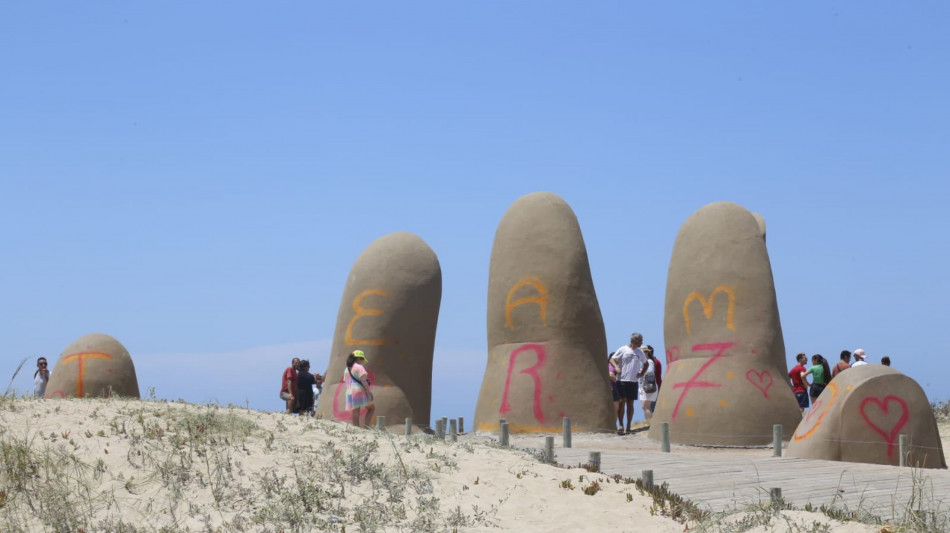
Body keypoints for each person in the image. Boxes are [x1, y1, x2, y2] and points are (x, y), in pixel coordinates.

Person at [610, 333, 646, 435]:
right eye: (640, 340)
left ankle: (629, 425)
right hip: (622, 380)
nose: (641, 342)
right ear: (634, 340)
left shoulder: (640, 352)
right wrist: (616, 367)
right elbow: (612, 359)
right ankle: (621, 424)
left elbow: (646, 364)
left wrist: (642, 372)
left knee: (630, 404)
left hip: (633, 381)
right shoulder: (623, 349)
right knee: (622, 402)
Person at [344, 350, 375, 428]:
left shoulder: (347, 369)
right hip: (358, 390)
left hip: (349, 391)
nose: (362, 361)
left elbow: (346, 381)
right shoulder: (359, 367)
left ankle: (356, 429)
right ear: (358, 358)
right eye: (361, 359)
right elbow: (364, 381)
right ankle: (366, 427)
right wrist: (369, 392)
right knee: (371, 408)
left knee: (355, 412)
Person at [637, 346, 659, 420]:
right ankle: (649, 423)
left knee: (644, 406)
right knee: (647, 406)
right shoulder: (645, 362)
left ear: (646, 352)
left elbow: (649, 372)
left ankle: (650, 423)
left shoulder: (649, 361)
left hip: (647, 386)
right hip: (645, 386)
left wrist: (643, 380)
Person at [643, 345, 662, 413]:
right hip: (654, 386)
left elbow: (649, 374)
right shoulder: (655, 361)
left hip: (652, 387)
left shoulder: (653, 362)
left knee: (650, 407)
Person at [607, 352, 622, 432]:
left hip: (613, 388)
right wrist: (617, 380)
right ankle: (613, 426)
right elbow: (611, 375)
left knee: (615, 408)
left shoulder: (612, 365)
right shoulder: (611, 366)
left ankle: (613, 426)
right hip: (612, 388)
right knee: (615, 408)